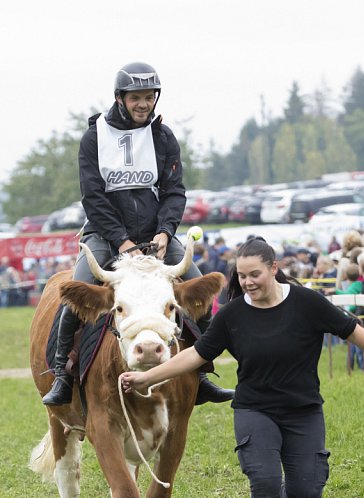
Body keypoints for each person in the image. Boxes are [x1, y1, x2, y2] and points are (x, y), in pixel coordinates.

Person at [120, 238, 364, 498]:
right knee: (263, 481)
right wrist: (147, 377)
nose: (248, 282)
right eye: (243, 276)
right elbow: (195, 356)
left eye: (255, 275)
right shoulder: (233, 315)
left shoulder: (308, 303)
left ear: (274, 269)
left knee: (306, 491)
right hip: (255, 410)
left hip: (303, 411)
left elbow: (355, 333)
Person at [43, 61, 232, 407]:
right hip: (104, 236)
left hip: (156, 236)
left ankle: (202, 371)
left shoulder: (163, 137)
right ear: (120, 98)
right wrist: (122, 242)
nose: (143, 104)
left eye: (149, 97)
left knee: (198, 292)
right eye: (136, 98)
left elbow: (174, 191)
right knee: (75, 299)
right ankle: (61, 374)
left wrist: (165, 232)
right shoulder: (93, 137)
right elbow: (93, 198)